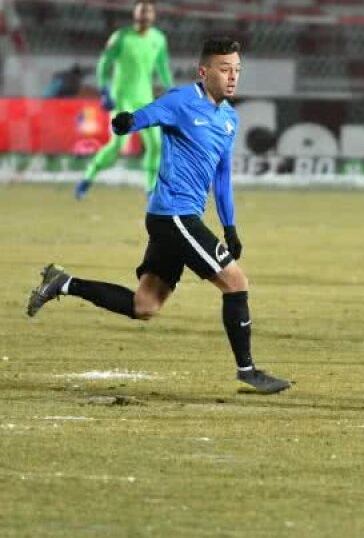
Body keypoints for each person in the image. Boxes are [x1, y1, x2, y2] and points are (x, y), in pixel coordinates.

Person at [27, 37, 290, 395]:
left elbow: (222, 177)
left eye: (237, 70)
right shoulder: (181, 101)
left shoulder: (229, 118)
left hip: (179, 218)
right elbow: (144, 117)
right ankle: (248, 370)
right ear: (204, 71)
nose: (232, 77)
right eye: (225, 69)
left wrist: (230, 227)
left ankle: (63, 282)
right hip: (174, 216)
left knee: (145, 305)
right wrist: (125, 123)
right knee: (236, 282)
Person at [75, 0, 174, 199]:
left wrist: (171, 91)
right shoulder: (121, 37)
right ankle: (88, 178)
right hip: (122, 98)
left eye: (148, 11)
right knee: (118, 145)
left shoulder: (158, 39)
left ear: (153, 15)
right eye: (141, 11)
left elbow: (163, 68)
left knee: (156, 144)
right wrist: (104, 91)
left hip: (145, 99)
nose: (144, 15)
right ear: (135, 14)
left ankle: (150, 190)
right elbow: (104, 64)